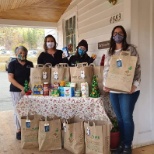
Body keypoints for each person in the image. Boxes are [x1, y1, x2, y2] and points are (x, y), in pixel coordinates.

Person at [103, 25, 141, 154]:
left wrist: (134, 85)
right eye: (115, 33)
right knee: (119, 119)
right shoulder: (110, 52)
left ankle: (127, 146)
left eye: (119, 33)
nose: (117, 35)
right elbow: (106, 70)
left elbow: (137, 68)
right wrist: (105, 84)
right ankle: (121, 144)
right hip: (114, 91)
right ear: (112, 36)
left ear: (124, 35)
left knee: (126, 118)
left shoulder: (131, 49)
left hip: (128, 91)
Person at [8, 46, 33, 140]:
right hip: (16, 91)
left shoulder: (30, 63)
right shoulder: (12, 64)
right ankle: (19, 130)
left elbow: (33, 77)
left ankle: (28, 129)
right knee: (17, 110)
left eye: (24, 53)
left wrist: (27, 88)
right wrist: (22, 88)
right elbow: (10, 78)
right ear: (16, 54)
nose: (23, 54)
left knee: (27, 110)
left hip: (28, 91)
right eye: (20, 53)